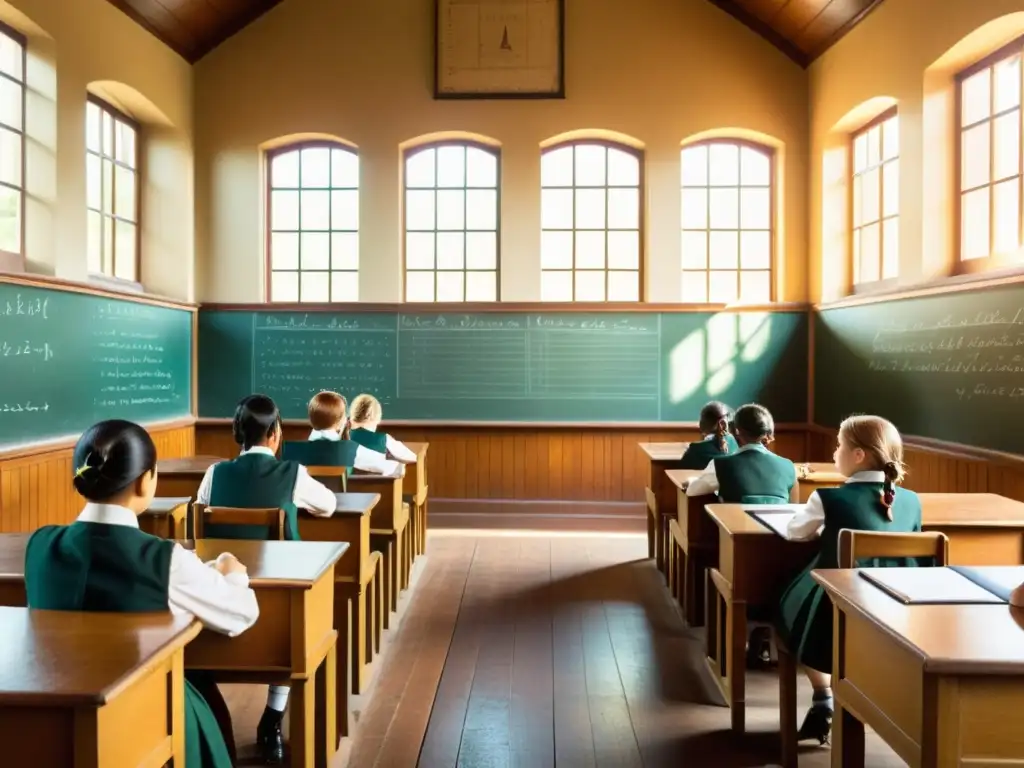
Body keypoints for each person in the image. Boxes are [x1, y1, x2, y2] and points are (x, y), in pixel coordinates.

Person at [24, 420, 259, 768]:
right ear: (145, 480)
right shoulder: (166, 561)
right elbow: (241, 615)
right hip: (142, 712)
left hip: (48, 719)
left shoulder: (39, 546)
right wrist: (231, 575)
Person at [196, 393, 337, 764]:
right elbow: (329, 505)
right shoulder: (292, 473)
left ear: (236, 433)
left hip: (217, 601)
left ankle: (212, 716)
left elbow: (200, 509)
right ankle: (273, 718)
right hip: (276, 604)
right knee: (297, 622)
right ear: (275, 433)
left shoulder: (215, 473)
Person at [776, 414, 922, 745]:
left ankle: (823, 694)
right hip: (896, 609)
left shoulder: (828, 498)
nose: (834, 452)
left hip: (835, 611)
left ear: (859, 456)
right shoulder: (912, 501)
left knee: (786, 603)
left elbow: (794, 532)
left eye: (839, 445)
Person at [685, 403, 797, 503]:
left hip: (734, 526)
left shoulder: (721, 465)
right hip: (777, 526)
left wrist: (692, 480)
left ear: (737, 430)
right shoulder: (789, 466)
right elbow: (793, 507)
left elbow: (692, 491)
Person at [306, 390, 401, 474]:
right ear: (341, 422)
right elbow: (388, 466)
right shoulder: (351, 450)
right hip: (339, 494)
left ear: (311, 420)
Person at [348, 393, 416, 462]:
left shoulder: (343, 438)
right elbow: (414, 457)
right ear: (376, 418)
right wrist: (391, 457)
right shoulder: (383, 439)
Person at [680, 400, 738, 469]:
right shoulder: (733, 442)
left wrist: (689, 451)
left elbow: (683, 467)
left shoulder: (696, 448)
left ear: (703, 422)